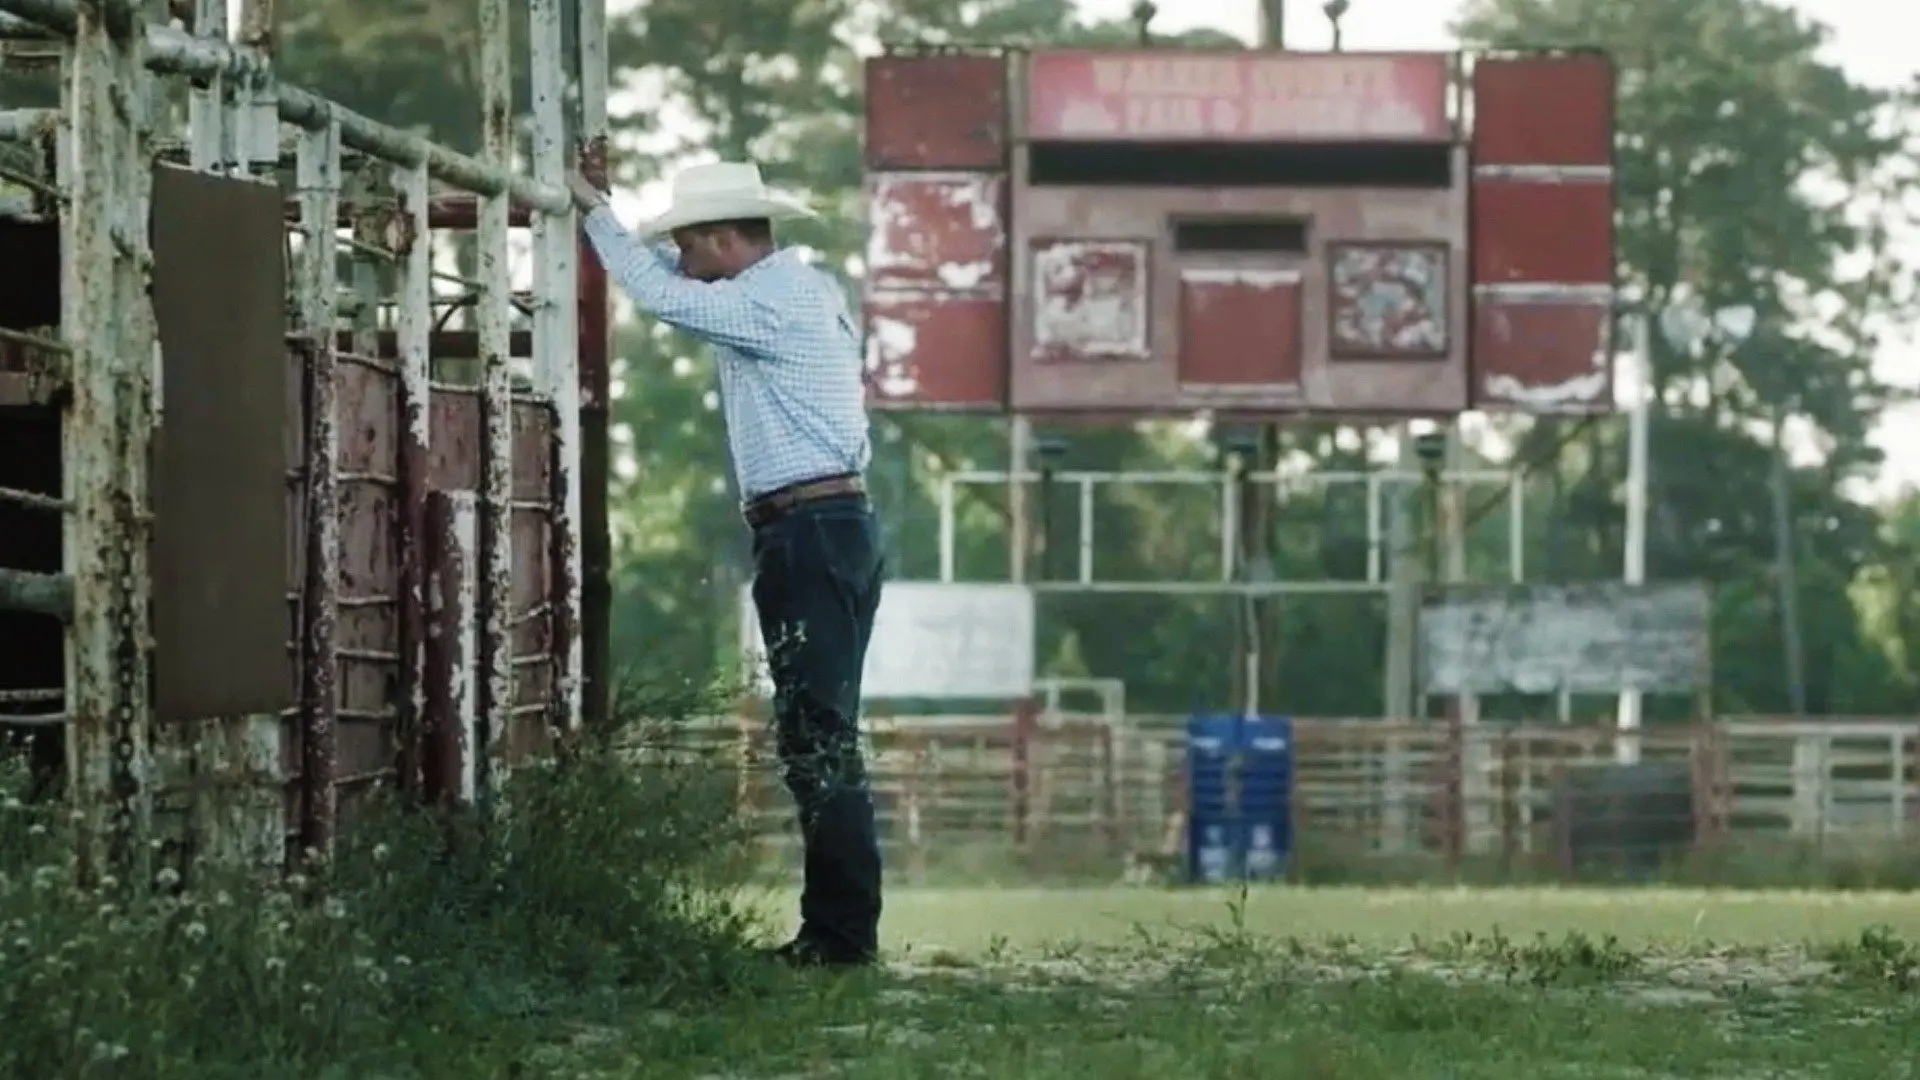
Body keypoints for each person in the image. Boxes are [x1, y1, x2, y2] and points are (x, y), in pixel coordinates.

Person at [567, 162, 884, 970]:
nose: (676, 251)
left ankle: (841, 936)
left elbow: (666, 296)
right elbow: (679, 283)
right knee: (820, 729)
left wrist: (596, 213)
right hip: (826, 523)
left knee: (816, 735)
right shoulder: (790, 291)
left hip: (806, 527)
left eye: (686, 239)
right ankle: (838, 929)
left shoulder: (765, 300)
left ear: (722, 239)